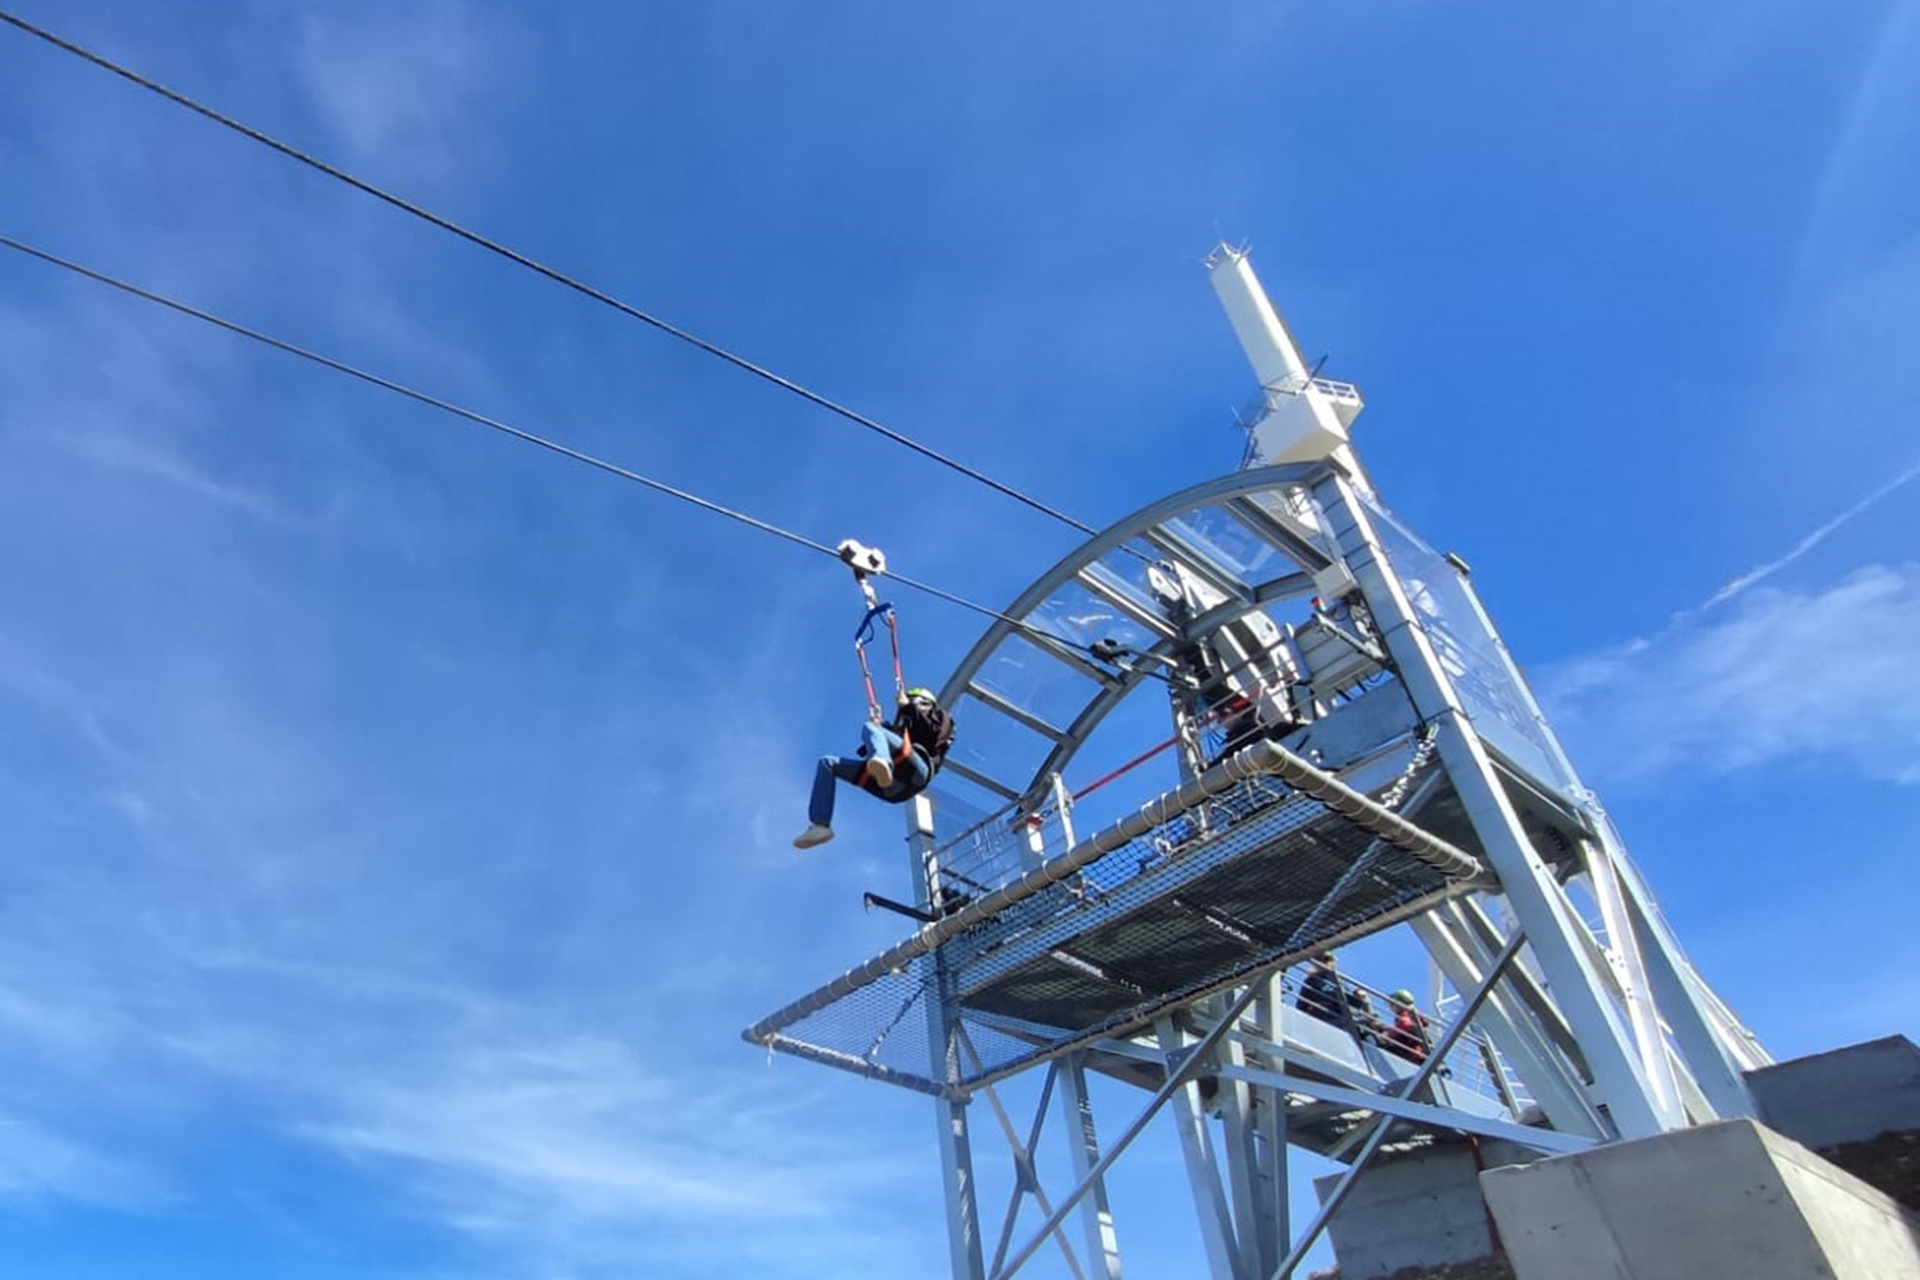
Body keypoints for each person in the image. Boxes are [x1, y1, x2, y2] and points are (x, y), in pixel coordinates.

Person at [794, 687, 955, 849]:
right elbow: (882, 741)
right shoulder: (905, 728)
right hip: (893, 786)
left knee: (870, 729)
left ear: (927, 703)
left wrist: (906, 708)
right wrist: (880, 724)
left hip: (916, 769)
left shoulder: (941, 717)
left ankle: (881, 761)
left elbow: (932, 732)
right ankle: (821, 825)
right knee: (827, 763)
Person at [1385, 989, 1431, 1063]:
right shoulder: (1412, 1015)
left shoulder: (1407, 1015)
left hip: (1414, 1054)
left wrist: (1388, 1033)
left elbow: (1404, 1025)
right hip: (1417, 1053)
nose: (1390, 1007)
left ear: (1398, 1004)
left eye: (1392, 1004)